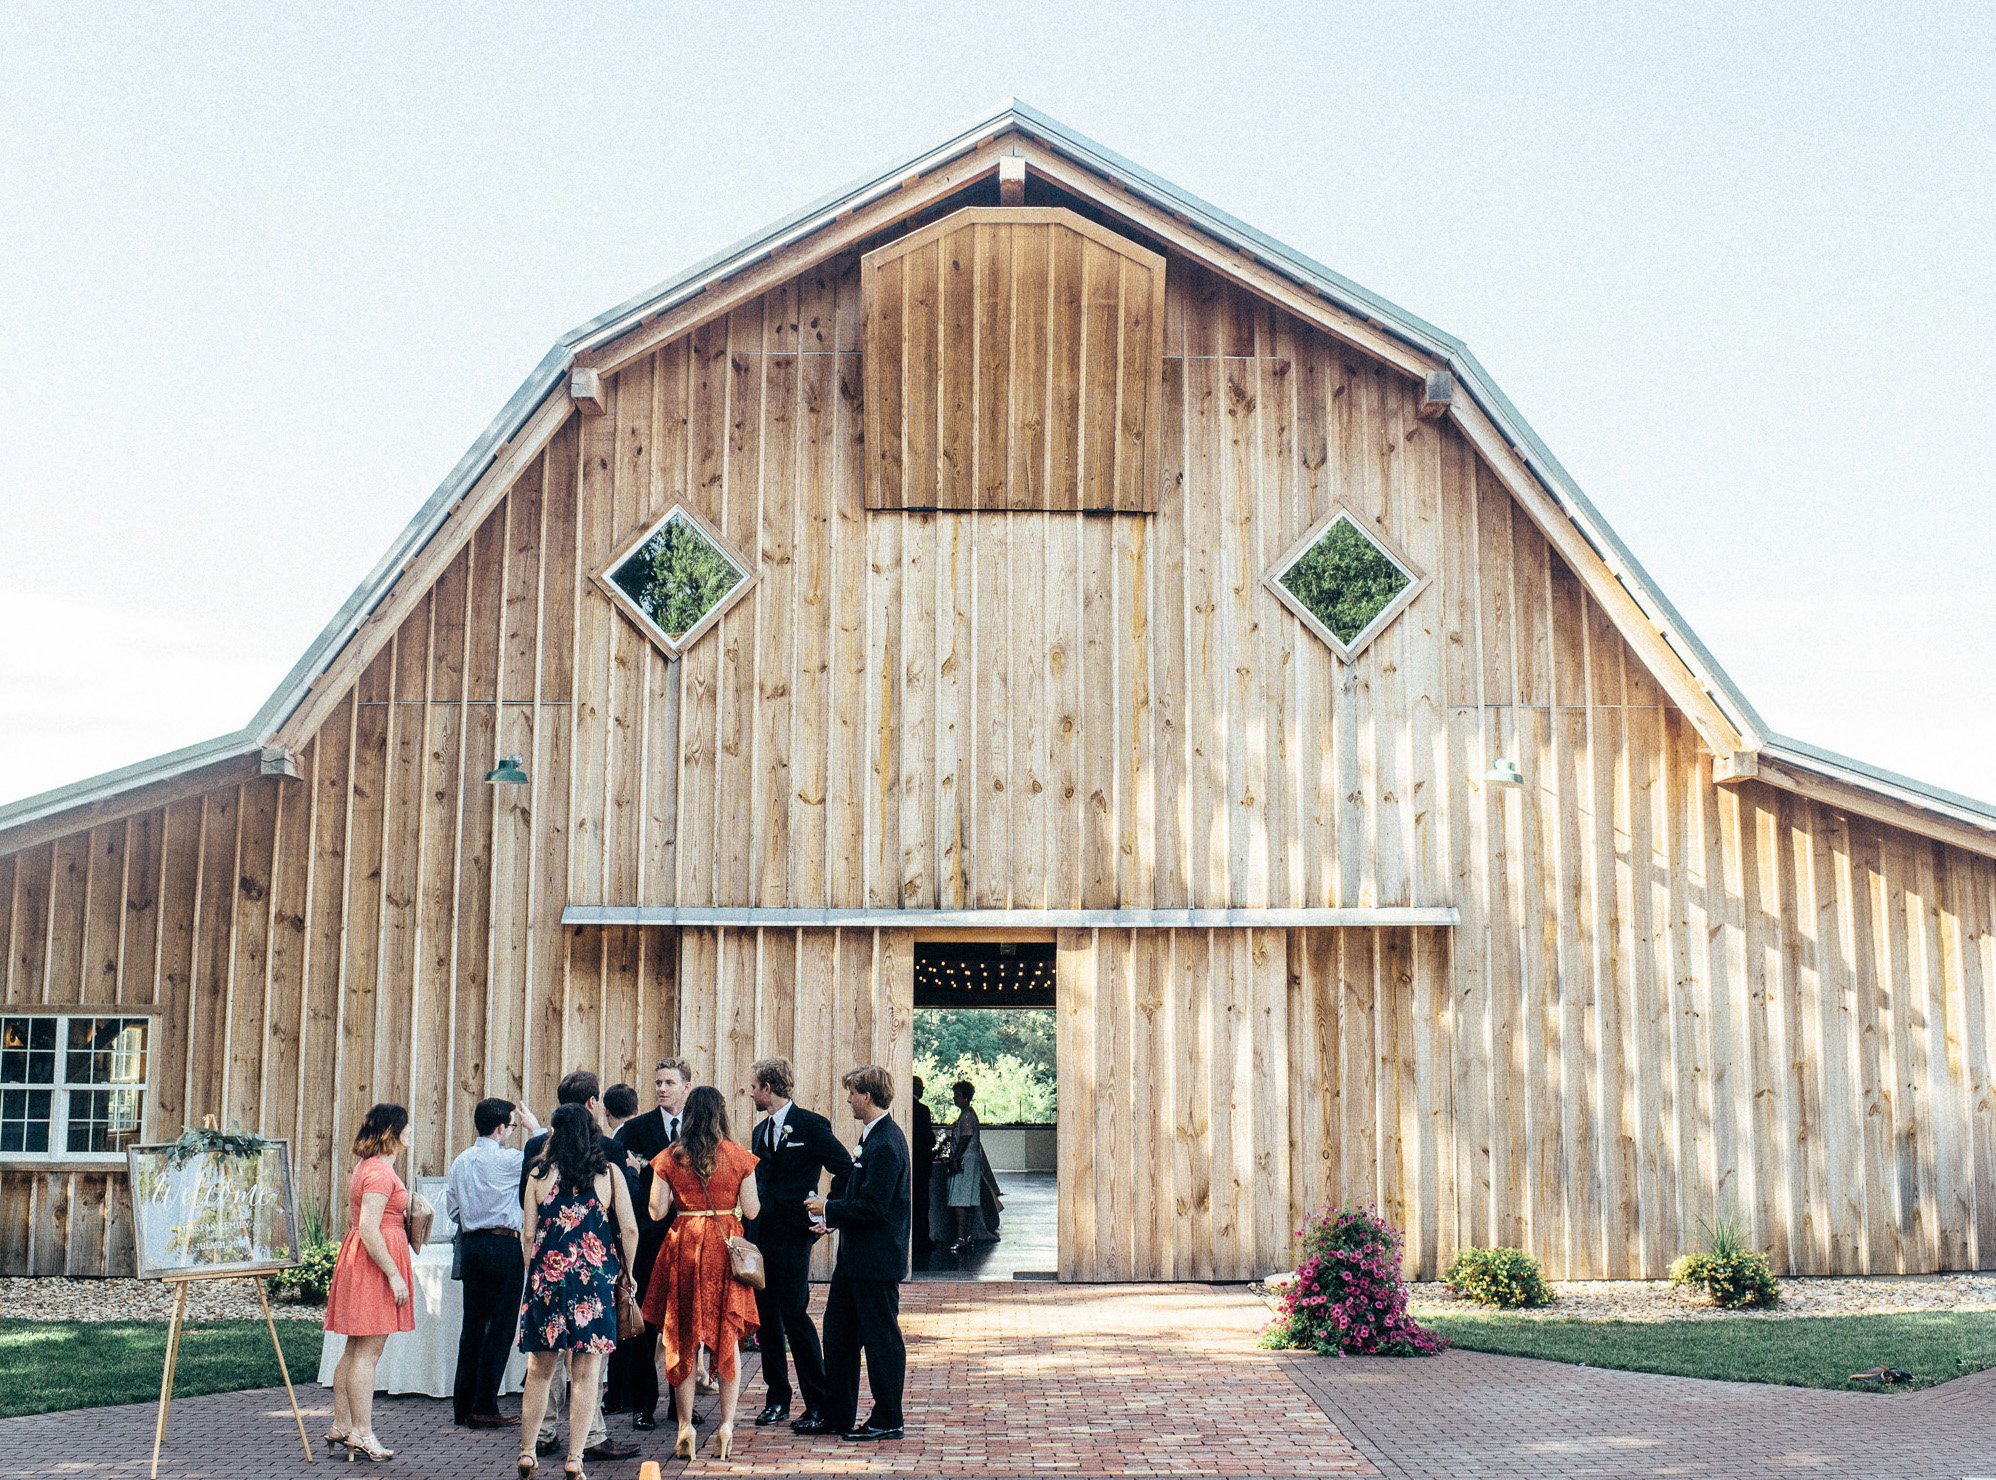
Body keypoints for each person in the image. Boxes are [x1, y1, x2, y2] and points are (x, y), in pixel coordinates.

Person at [516, 1072, 640, 1465]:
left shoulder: (538, 1176)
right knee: (587, 1374)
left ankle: (527, 1451)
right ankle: (574, 1457)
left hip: (548, 1279)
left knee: (540, 1371)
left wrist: (533, 1274)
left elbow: (528, 1234)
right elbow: (630, 1229)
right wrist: (628, 1271)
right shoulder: (608, 1175)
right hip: (593, 1282)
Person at [642, 1085, 762, 1462]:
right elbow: (753, 1210)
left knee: (682, 1337)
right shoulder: (740, 1157)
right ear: (721, 1114)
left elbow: (656, 1212)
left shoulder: (669, 1157)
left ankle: (685, 1427)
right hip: (724, 1246)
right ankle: (726, 1426)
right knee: (728, 1335)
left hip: (685, 1244)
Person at [802, 1065, 909, 1443]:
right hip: (854, 1260)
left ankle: (888, 1417)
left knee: (882, 1340)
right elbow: (859, 1198)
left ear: (868, 1095)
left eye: (852, 1092)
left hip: (876, 1262)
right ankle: (837, 1413)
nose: (848, 1098)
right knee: (839, 1335)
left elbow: (875, 1207)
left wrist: (827, 1210)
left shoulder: (886, 1143)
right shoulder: (872, 1138)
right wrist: (833, 1221)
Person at [745, 1056, 852, 1429]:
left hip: (793, 1237)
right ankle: (777, 1398)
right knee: (766, 1322)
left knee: (794, 1315)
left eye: (754, 1087)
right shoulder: (759, 1133)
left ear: (768, 1088)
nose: (751, 1093)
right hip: (761, 1237)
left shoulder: (811, 1124)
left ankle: (818, 1401)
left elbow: (844, 1167)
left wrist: (828, 1212)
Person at [324, 1102, 415, 1463]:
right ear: (391, 1132)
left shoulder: (368, 1167)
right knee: (368, 1353)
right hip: (375, 1264)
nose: (410, 1132)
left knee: (353, 1349)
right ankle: (361, 1432)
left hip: (361, 1260)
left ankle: (342, 1424)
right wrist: (393, 1274)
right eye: (405, 1127)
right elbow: (367, 1227)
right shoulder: (379, 1173)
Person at [445, 1096, 541, 1429]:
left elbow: (453, 1211)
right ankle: (484, 1404)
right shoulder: (512, 1160)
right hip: (504, 1245)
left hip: (471, 1246)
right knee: (499, 1329)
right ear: (501, 1128)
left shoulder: (461, 1161)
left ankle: (463, 1405)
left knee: (471, 1328)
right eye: (512, 1127)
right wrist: (534, 1127)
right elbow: (544, 1151)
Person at [609, 1057, 691, 1433]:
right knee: (645, 1326)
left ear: (685, 1087)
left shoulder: (698, 1129)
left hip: (688, 1240)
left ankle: (681, 1405)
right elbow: (622, 1185)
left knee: (684, 1324)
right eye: (657, 1082)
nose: (661, 1088)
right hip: (646, 1241)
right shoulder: (635, 1130)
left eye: (669, 1083)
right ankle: (643, 1404)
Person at [945, 1080, 985, 1255]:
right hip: (969, 1160)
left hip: (965, 1161)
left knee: (960, 1199)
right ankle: (966, 1235)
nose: (955, 1098)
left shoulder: (967, 1116)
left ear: (966, 1097)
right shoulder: (967, 1114)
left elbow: (965, 1138)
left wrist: (955, 1157)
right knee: (965, 1200)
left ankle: (962, 1237)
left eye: (958, 1095)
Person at [909, 1076, 936, 1259]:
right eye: (920, 1086)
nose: (923, 1089)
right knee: (921, 1203)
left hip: (911, 1163)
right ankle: (922, 1240)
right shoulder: (922, 1110)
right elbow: (929, 1139)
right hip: (921, 1164)